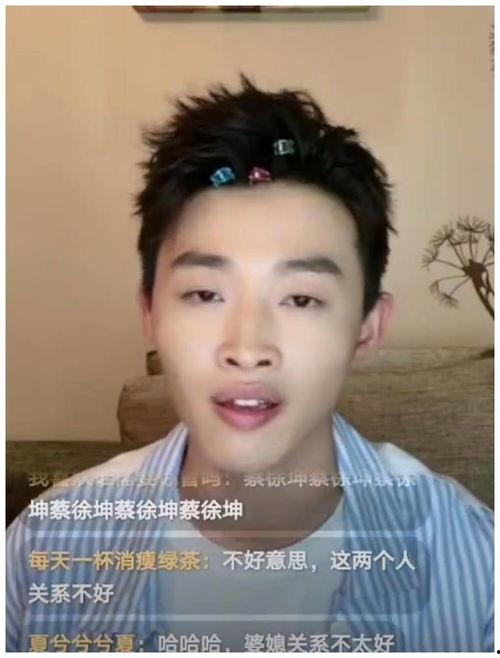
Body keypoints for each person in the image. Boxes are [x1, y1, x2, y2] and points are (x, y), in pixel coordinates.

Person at [6, 73, 493, 652]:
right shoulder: (47, 546)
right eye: (205, 294)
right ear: (150, 313)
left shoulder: (474, 560)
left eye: (301, 299)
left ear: (368, 327)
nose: (247, 347)